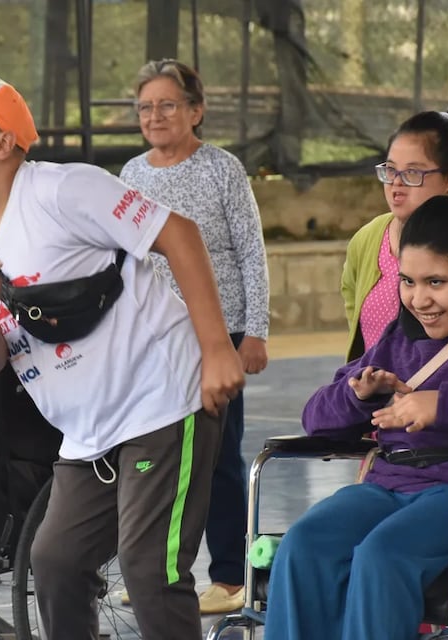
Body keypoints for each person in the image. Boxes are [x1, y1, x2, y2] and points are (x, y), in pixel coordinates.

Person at [0, 71, 244, 639]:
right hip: (87, 434)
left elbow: (180, 235)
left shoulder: (66, 190)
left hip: (161, 402)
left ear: (2, 144)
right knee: (57, 561)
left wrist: (217, 349)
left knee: (148, 569)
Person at [264, 195, 448, 640]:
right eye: (408, 282)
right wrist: (357, 396)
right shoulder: (398, 340)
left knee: (383, 554)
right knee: (303, 545)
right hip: (387, 486)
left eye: (437, 282)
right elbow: (315, 418)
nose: (420, 299)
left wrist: (443, 405)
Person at [118, 58, 269, 614]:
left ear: (195, 111)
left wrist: (253, 332)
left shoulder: (222, 169)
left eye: (167, 104)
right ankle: (155, 573)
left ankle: (231, 576)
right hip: (153, 339)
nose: (155, 116)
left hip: (218, 337)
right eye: (145, 107)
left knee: (218, 457)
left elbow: (251, 251)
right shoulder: (131, 176)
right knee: (154, 455)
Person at [341, 110, 448, 361]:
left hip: (443, 397)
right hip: (374, 397)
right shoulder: (367, 239)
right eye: (390, 170)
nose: (396, 183)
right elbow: (352, 300)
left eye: (412, 174)